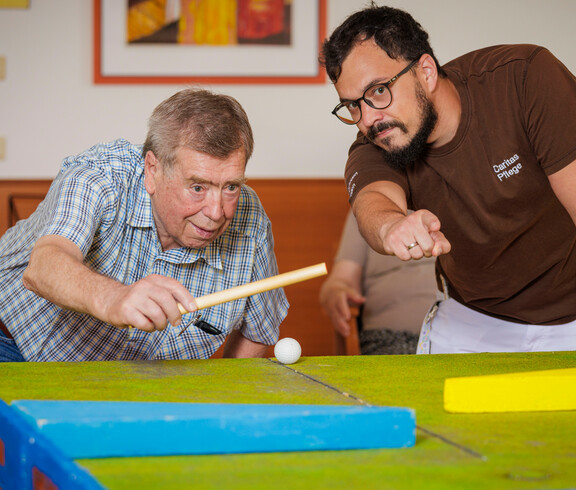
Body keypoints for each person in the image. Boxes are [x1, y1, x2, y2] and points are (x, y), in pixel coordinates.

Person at [320, 5, 576, 354]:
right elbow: (373, 201)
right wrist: (391, 226)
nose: (368, 119)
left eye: (379, 91)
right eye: (352, 106)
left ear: (425, 71)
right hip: (473, 317)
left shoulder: (525, 78)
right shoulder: (376, 140)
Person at [0, 88, 288, 362]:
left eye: (231, 187)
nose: (216, 213)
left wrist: (223, 400)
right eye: (198, 187)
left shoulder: (251, 219)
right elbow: (43, 267)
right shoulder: (100, 177)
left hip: (124, 387)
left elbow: (258, 330)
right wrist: (116, 296)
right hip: (11, 345)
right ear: (153, 169)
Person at [320, 210, 437, 355]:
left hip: (459, 339)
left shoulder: (464, 202)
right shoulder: (366, 209)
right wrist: (337, 292)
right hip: (388, 341)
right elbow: (341, 280)